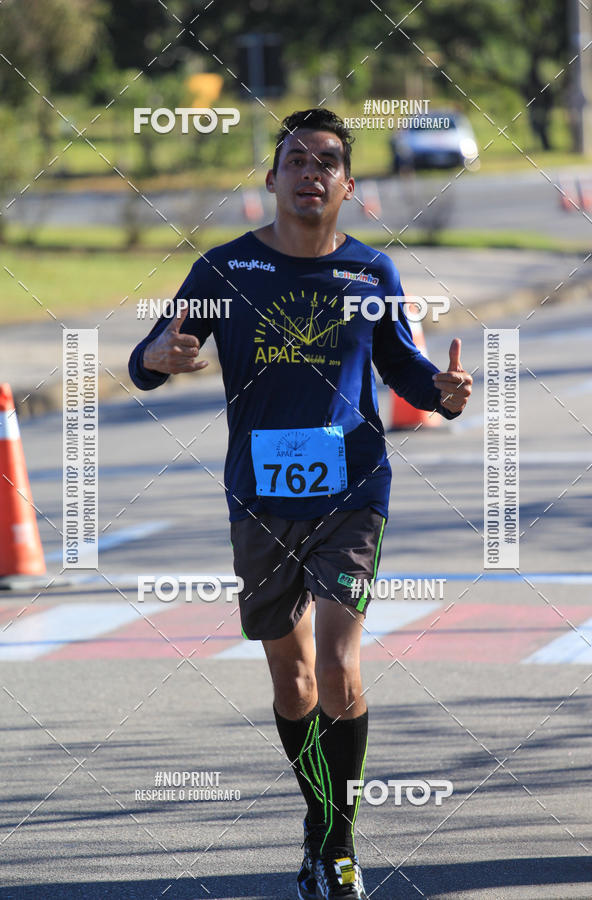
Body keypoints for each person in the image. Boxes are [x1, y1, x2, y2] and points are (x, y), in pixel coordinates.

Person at [129, 108, 472, 900]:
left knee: (341, 664)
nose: (310, 172)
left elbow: (406, 369)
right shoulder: (223, 272)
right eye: (295, 159)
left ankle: (341, 845)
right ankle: (318, 818)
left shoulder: (371, 275)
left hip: (354, 491)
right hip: (259, 497)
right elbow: (150, 360)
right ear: (273, 178)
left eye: (327, 161)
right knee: (293, 682)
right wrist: (157, 355)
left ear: (348, 186)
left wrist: (445, 395)